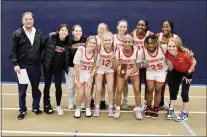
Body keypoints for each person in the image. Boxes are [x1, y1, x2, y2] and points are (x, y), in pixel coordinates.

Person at [9, 12, 46, 120]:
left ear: (33, 20)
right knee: (22, 90)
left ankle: (35, 107)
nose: (28, 21)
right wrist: (15, 64)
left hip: (35, 66)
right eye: (26, 19)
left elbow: (41, 46)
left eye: (30, 19)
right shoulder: (17, 33)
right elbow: (13, 50)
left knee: (35, 88)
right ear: (22, 21)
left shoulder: (38, 32)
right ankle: (22, 110)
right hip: (22, 66)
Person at [41, 24, 70, 115]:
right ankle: (46, 104)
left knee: (58, 86)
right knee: (47, 85)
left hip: (59, 68)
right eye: (62, 30)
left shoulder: (67, 43)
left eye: (65, 30)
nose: (64, 32)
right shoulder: (51, 38)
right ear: (58, 31)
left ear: (68, 32)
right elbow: (40, 47)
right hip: (48, 66)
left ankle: (58, 106)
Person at [165, 37, 196, 122]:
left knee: (184, 92)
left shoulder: (185, 54)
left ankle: (185, 113)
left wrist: (189, 73)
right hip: (177, 70)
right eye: (169, 46)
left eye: (174, 46)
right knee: (173, 90)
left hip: (187, 71)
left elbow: (194, 62)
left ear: (178, 46)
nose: (171, 48)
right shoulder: (167, 53)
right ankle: (171, 109)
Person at [112, 34, 142, 120]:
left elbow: (137, 67)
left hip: (133, 71)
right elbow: (115, 66)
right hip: (122, 71)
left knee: (137, 90)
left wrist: (128, 74)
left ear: (132, 43)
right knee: (119, 89)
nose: (127, 43)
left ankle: (137, 109)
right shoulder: (118, 51)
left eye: (129, 42)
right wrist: (114, 62)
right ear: (122, 43)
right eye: (125, 42)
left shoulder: (137, 52)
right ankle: (117, 109)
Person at [156, 20, 181, 109]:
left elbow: (181, 49)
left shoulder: (176, 37)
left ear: (171, 28)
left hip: (172, 64)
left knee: (171, 84)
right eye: (163, 26)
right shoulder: (158, 36)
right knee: (161, 84)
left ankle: (171, 103)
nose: (165, 28)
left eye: (167, 26)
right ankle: (161, 101)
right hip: (161, 63)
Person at [143, 35, 168, 119]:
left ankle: (156, 108)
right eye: (148, 43)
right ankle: (149, 107)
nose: (150, 45)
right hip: (150, 71)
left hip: (161, 72)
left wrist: (186, 51)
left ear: (156, 43)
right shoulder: (143, 51)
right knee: (149, 90)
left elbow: (175, 47)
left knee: (158, 90)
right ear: (146, 44)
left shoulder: (163, 48)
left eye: (152, 43)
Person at [131, 19, 154, 111]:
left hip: (148, 62)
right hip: (137, 62)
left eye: (142, 25)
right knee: (138, 85)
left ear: (146, 27)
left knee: (148, 85)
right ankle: (138, 103)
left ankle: (146, 103)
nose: (140, 26)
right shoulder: (132, 34)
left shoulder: (150, 34)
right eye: (139, 24)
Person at [73, 36, 97, 118]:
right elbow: (76, 66)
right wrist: (78, 81)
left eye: (94, 43)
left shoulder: (95, 54)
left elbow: (94, 68)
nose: (92, 44)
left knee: (87, 93)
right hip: (79, 73)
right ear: (86, 43)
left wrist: (90, 80)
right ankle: (78, 109)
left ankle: (87, 108)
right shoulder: (80, 51)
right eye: (90, 42)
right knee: (80, 93)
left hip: (88, 74)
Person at [65, 25, 87, 110]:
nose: (78, 32)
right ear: (72, 32)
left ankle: (81, 102)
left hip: (82, 68)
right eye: (76, 31)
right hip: (71, 67)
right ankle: (71, 101)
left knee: (80, 86)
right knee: (70, 86)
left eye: (80, 31)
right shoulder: (69, 43)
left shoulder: (85, 40)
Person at [94, 32, 115, 117]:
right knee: (98, 89)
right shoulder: (99, 46)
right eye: (105, 40)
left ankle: (110, 107)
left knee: (110, 89)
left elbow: (118, 60)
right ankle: (96, 107)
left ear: (112, 40)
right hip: (100, 68)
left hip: (109, 69)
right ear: (102, 41)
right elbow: (95, 58)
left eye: (109, 40)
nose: (107, 42)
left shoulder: (115, 47)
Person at [113, 19, 129, 110]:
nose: (122, 28)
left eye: (124, 27)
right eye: (121, 26)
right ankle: (116, 101)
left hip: (124, 64)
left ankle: (125, 101)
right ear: (117, 27)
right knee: (115, 83)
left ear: (126, 28)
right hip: (115, 63)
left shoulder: (128, 38)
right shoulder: (113, 37)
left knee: (125, 83)